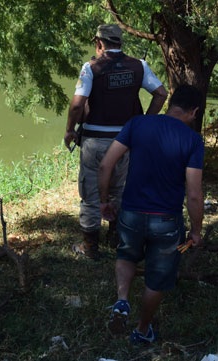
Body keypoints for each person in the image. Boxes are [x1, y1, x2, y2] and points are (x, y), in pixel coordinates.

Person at [98, 85, 204, 343]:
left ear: (171, 104)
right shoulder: (192, 140)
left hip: (131, 213)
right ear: (194, 112)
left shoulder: (137, 124)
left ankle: (122, 301)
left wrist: (104, 201)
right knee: (157, 279)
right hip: (166, 222)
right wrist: (196, 230)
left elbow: (105, 165)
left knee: (126, 255)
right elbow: (193, 194)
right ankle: (142, 330)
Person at [64, 24, 168, 259]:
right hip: (126, 142)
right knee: (121, 189)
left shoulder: (91, 68)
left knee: (91, 190)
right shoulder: (139, 66)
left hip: (95, 142)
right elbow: (161, 94)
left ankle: (90, 247)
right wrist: (142, 124)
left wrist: (70, 130)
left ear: (99, 43)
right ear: (120, 43)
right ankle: (116, 235)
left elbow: (78, 104)